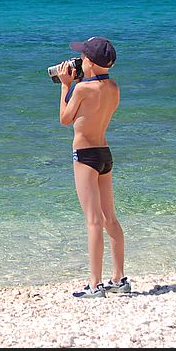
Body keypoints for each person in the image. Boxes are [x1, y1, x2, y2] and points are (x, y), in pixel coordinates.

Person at [57, 37, 130, 298]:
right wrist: (80, 81)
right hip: (104, 153)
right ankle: (119, 279)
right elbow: (94, 108)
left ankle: (95, 284)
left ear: (88, 61)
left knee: (93, 221)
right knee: (110, 217)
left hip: (85, 155)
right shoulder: (114, 88)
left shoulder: (81, 90)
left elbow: (65, 119)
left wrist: (65, 86)